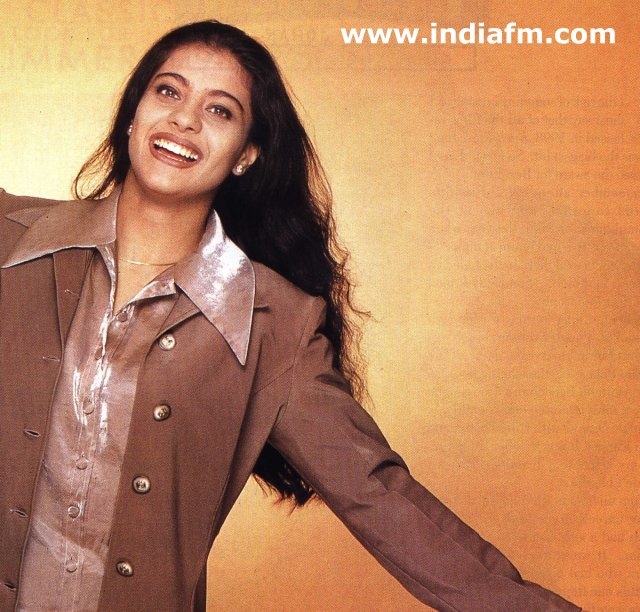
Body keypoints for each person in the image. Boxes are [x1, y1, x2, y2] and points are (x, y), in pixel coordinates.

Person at [0, 20, 582, 612]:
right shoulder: (8, 240)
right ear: (133, 114)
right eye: (168, 91)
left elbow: (377, 495)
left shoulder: (276, 324)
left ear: (246, 154)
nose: (184, 120)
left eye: (220, 110)